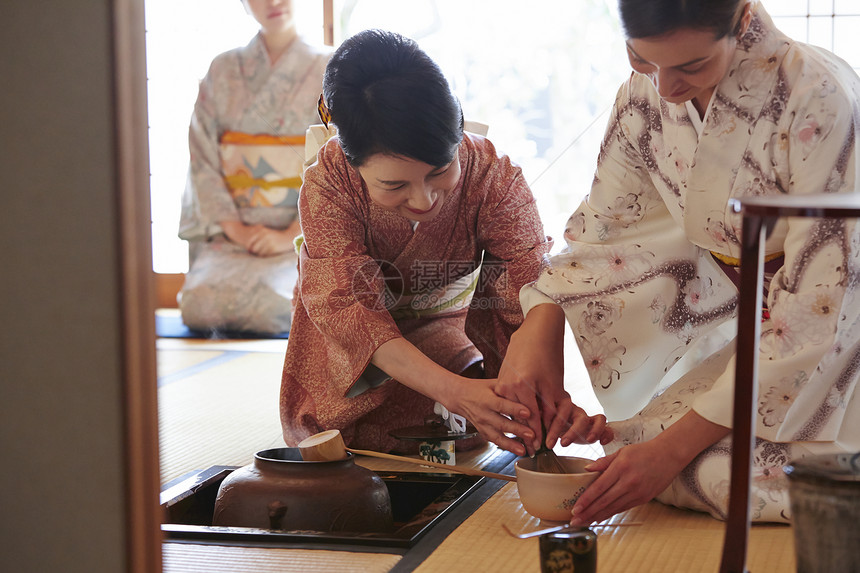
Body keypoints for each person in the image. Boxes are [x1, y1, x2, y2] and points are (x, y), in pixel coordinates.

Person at [498, 0, 860, 526]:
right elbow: (606, 230)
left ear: (741, 17)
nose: (664, 88)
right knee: (632, 449)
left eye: (690, 67)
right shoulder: (643, 95)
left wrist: (672, 451)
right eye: (643, 59)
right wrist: (539, 326)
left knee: (711, 471)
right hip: (761, 329)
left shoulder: (818, 98)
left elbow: (822, 310)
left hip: (838, 330)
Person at [279, 29, 580, 454]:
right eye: (394, 183)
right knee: (343, 445)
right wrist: (455, 393)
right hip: (346, 340)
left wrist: (540, 393)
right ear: (351, 159)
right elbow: (347, 310)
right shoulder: (329, 182)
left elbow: (533, 287)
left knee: (479, 412)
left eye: (440, 171)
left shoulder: (493, 175)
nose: (423, 200)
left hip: (446, 324)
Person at [177, 0, 329, 335]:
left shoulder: (329, 68)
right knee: (199, 306)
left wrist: (292, 234)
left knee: (275, 305)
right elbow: (202, 157)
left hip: (303, 239)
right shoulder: (222, 70)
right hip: (234, 237)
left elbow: (338, 160)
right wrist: (237, 230)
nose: (273, 2)